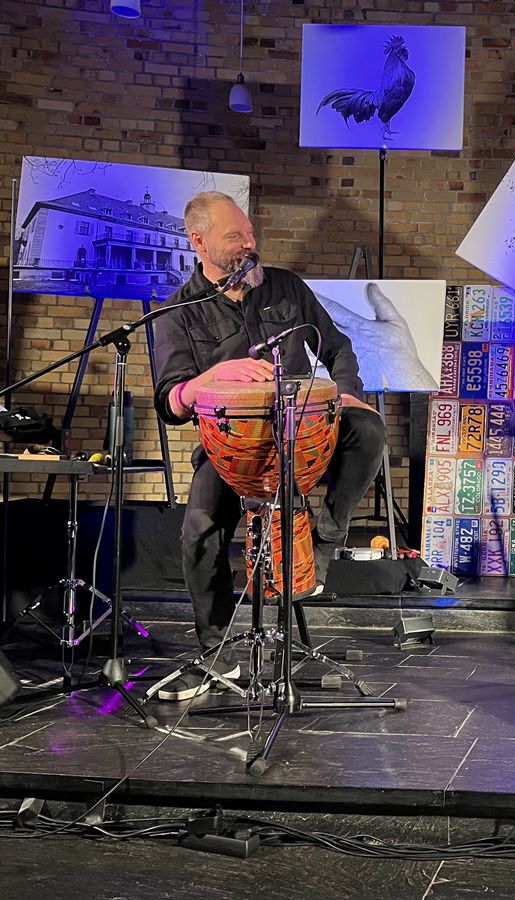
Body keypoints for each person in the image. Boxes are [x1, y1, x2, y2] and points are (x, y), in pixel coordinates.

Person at [152, 191, 386, 701]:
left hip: (306, 436)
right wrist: (211, 376)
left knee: (369, 431)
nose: (249, 244)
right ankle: (216, 654)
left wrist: (347, 395)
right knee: (199, 529)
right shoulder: (177, 312)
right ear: (199, 241)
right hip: (234, 450)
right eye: (235, 237)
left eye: (250, 233)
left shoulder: (285, 286)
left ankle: (323, 544)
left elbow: (338, 347)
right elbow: (171, 401)